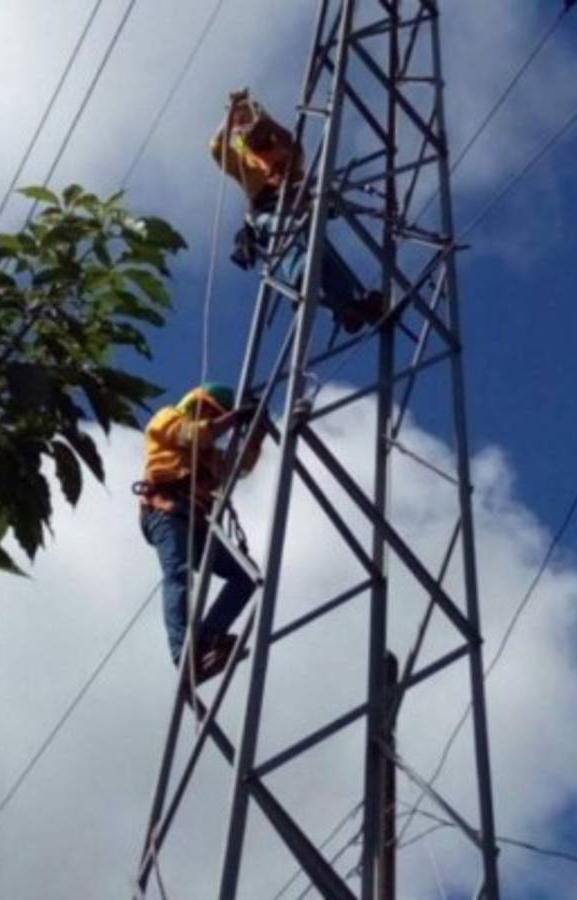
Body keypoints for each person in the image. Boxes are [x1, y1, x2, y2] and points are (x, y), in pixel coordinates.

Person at [210, 90, 386, 332]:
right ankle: (303, 279)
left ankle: (349, 308)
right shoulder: (247, 164)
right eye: (242, 124)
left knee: (322, 254)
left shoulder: (283, 147)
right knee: (287, 234)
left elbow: (287, 142)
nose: (248, 126)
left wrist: (257, 115)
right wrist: (232, 112)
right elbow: (217, 147)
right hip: (270, 215)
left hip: (299, 210)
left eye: (248, 119)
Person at [136, 383, 264, 681]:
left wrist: (255, 433)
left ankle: (207, 639)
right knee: (179, 574)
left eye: (213, 414)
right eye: (206, 411)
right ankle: (183, 653)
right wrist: (234, 418)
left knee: (245, 577)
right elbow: (196, 434)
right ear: (194, 405)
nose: (209, 417)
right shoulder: (167, 419)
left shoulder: (208, 457)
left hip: (196, 520)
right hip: (166, 512)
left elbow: (240, 466)